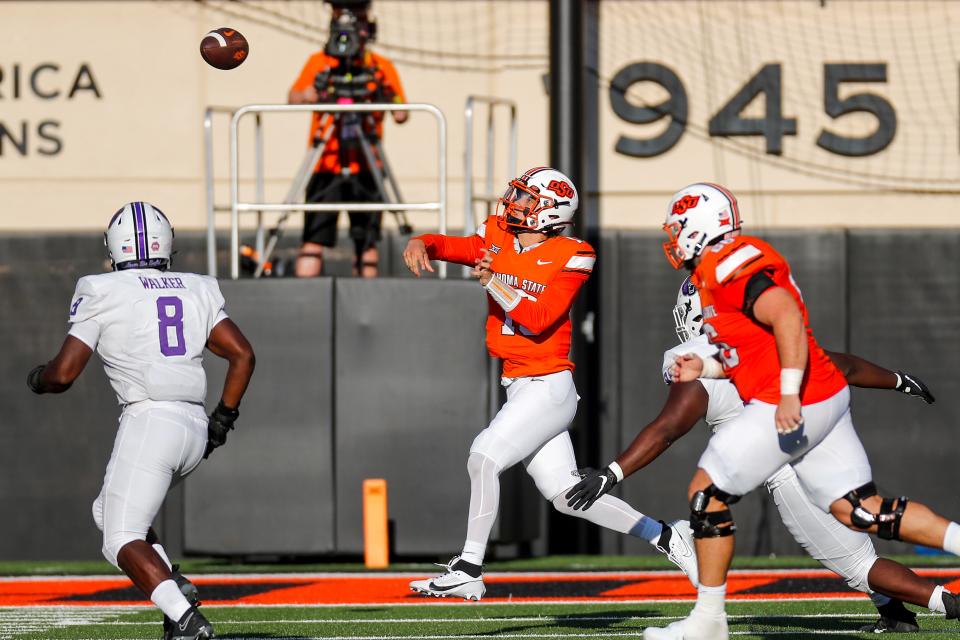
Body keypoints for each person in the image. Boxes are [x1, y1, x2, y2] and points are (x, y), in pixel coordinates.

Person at [625, 182, 960, 640]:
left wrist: (785, 393)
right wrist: (705, 364)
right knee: (863, 512)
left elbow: (785, 314)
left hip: (796, 406)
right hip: (819, 398)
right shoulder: (722, 271)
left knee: (708, 493)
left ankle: (708, 624)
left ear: (701, 227)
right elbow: (759, 349)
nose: (674, 235)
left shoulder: (727, 264)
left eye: (680, 226)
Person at [566, 276, 956, 633]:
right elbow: (846, 367)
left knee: (858, 565)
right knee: (867, 524)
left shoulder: (697, 357)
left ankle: (948, 604)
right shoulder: (769, 341)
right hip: (829, 448)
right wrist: (900, 381)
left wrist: (611, 473)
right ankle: (895, 614)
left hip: (791, 472)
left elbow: (669, 428)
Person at [401, 167, 697, 601]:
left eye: (525, 199)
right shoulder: (498, 234)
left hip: (548, 385)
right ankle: (668, 537)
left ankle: (468, 567)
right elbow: (453, 246)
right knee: (564, 495)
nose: (513, 204)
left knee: (483, 458)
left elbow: (539, 318)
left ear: (549, 213)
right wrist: (422, 241)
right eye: (516, 195)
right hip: (519, 384)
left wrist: (493, 282)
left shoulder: (574, 253)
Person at [27, 202, 255, 640]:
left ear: (114, 247)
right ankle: (173, 583)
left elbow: (63, 375)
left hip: (152, 419)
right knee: (106, 511)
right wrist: (222, 421)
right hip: (192, 425)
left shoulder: (102, 288)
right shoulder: (197, 287)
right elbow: (243, 354)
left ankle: (186, 618)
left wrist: (37, 378)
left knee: (119, 538)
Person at [288, 0, 407, 278]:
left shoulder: (379, 66)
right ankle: (307, 303)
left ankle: (366, 307)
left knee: (366, 243)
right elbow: (294, 96)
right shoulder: (319, 62)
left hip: (366, 166)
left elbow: (401, 113)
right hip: (325, 164)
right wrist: (310, 94)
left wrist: (380, 93)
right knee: (313, 240)